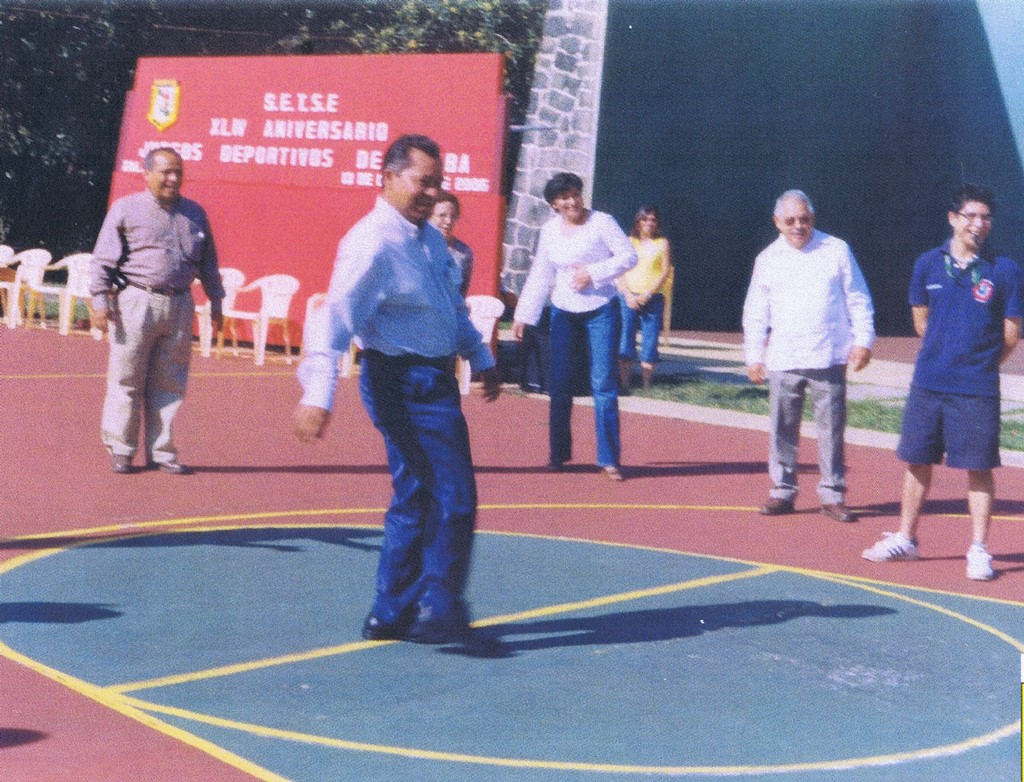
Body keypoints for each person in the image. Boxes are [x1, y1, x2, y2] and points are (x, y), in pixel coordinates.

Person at [293, 134, 502, 644]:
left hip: (433, 377)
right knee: (453, 494)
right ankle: (439, 608)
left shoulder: (428, 239)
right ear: (387, 177)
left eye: (438, 183)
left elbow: (450, 308)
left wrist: (480, 356)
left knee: (415, 493)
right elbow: (334, 320)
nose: (432, 193)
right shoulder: (372, 243)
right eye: (422, 182)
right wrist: (317, 395)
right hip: (404, 382)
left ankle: (390, 612)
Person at [863, 184, 1023, 581]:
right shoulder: (927, 264)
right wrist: (946, 351)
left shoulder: (1005, 269)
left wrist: (980, 364)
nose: (978, 224)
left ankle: (979, 549)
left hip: (977, 389)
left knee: (979, 467)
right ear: (953, 219)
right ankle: (906, 538)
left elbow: (1011, 334)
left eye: (985, 217)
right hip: (929, 383)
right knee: (917, 460)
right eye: (970, 216)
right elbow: (921, 322)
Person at [742, 189, 875, 522]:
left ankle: (832, 495)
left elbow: (858, 297)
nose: (798, 226)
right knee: (782, 430)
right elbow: (755, 311)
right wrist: (753, 355)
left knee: (831, 430)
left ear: (813, 218)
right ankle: (783, 491)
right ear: (777, 222)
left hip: (828, 356)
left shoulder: (836, 249)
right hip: (784, 359)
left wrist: (863, 341)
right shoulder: (767, 258)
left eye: (804, 219)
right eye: (790, 221)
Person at [90, 147, 225, 475]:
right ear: (147, 174)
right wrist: (99, 301)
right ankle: (121, 449)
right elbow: (103, 260)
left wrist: (217, 302)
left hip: (179, 304)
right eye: (165, 172)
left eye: (178, 172)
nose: (173, 178)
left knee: (170, 382)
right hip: (137, 302)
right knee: (126, 378)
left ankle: (162, 452)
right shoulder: (126, 209)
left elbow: (208, 263)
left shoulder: (195, 213)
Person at [512, 172, 637, 481]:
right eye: (564, 197)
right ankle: (558, 454)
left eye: (575, 194)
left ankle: (608, 459)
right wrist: (524, 314)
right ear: (554, 204)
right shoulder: (549, 231)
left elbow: (628, 257)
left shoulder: (602, 222)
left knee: (602, 384)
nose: (572, 201)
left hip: (601, 310)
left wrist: (593, 273)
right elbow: (541, 273)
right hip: (563, 312)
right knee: (559, 383)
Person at [617, 206, 672, 391]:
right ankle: (624, 383)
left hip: (652, 298)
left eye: (653, 220)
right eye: (645, 219)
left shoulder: (662, 243)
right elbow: (620, 269)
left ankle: (646, 384)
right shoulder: (629, 241)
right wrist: (627, 294)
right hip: (629, 297)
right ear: (638, 221)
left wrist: (648, 294)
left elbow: (665, 271)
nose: (649, 223)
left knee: (650, 339)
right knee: (626, 338)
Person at [430, 190, 474, 296]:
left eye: (453, 216)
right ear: (429, 216)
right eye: (442, 215)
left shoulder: (464, 253)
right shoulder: (417, 246)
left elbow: (461, 292)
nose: (448, 221)